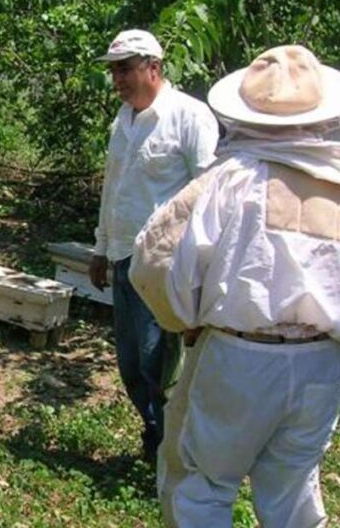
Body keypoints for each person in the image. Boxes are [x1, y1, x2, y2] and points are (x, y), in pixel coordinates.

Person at [131, 45, 340, 527]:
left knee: (202, 487)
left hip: (240, 360)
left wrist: (183, 320)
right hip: (322, 367)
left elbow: (155, 261)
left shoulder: (230, 180)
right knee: (292, 497)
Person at [88, 29, 219, 462]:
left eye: (125, 69)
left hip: (167, 267)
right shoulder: (121, 123)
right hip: (125, 259)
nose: (117, 80)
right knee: (131, 363)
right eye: (114, 71)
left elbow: (211, 193)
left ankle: (174, 451)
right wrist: (101, 247)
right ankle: (157, 437)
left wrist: (204, 270)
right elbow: (113, 189)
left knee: (160, 365)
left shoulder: (188, 116)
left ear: (154, 67)